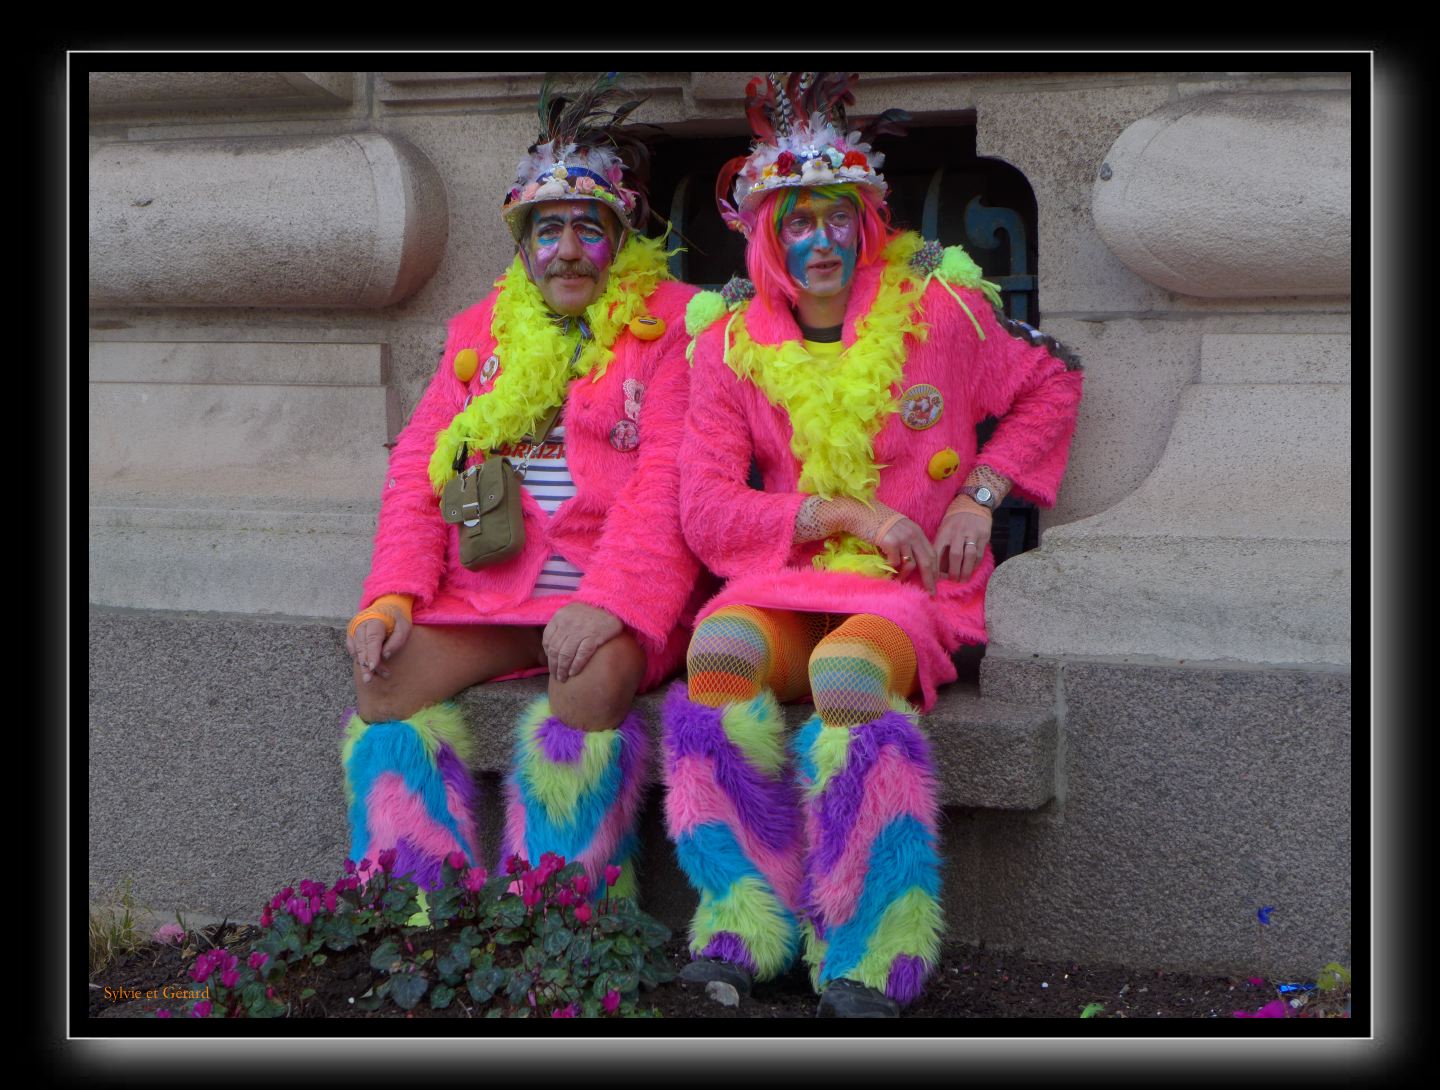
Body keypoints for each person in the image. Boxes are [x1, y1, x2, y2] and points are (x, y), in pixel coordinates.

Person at [664, 72, 1083, 1016]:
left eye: (838, 218)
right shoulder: (728, 347)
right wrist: (849, 516)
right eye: (798, 222)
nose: (821, 242)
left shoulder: (940, 314)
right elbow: (708, 513)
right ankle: (745, 925)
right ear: (768, 236)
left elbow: (1051, 384)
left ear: (867, 222)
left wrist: (979, 496)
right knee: (717, 659)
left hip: (903, 591)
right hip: (780, 580)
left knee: (850, 680)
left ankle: (866, 948)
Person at [340, 75, 699, 902]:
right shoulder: (477, 338)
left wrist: (609, 601)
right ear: (523, 245)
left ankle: (561, 912)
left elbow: (668, 483)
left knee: (590, 685)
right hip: (495, 599)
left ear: (619, 235)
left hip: (610, 603)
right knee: (381, 681)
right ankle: (415, 899)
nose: (567, 251)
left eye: (586, 229)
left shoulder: (674, 327)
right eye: (548, 231)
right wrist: (392, 597)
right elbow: (416, 474)